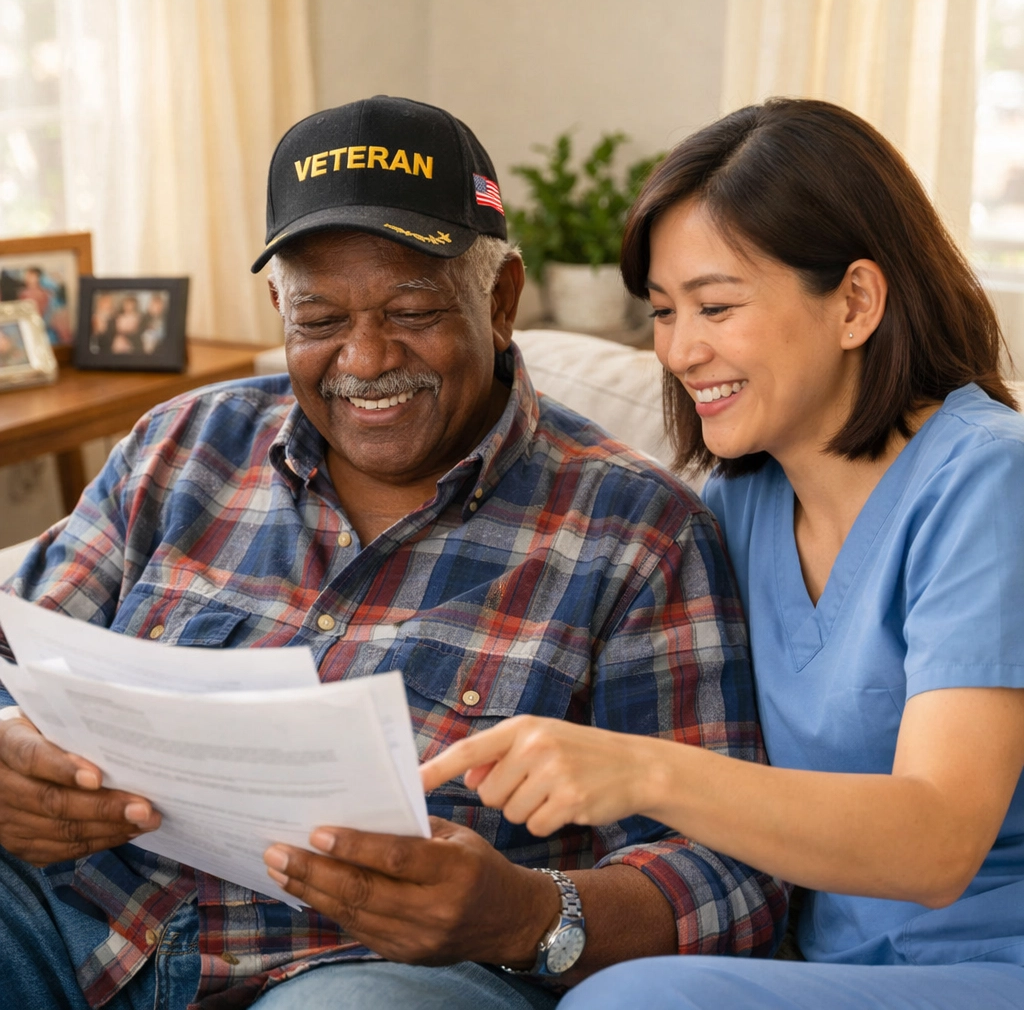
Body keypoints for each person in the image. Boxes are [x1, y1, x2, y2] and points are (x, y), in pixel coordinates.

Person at [0, 96, 786, 1010]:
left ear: (500, 299)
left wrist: (529, 915)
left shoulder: (638, 533)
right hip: (73, 920)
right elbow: (19, 653)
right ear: (277, 309)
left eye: (412, 309)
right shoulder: (182, 447)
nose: (366, 360)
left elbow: (734, 871)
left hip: (365, 975)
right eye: (320, 318)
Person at [422, 98, 1024, 1008]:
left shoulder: (987, 485)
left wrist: (638, 769)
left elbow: (938, 842)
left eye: (715, 306)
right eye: (663, 311)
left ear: (855, 301)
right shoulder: (735, 503)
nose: (678, 350)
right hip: (819, 968)